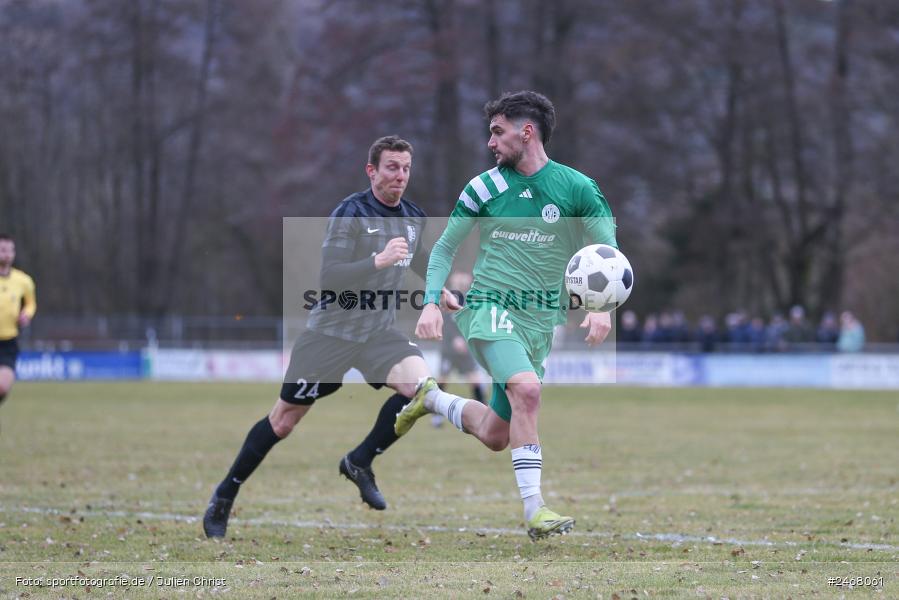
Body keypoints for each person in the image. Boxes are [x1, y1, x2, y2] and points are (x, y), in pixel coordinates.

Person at [203, 136, 459, 538]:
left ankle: (359, 460)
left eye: (406, 168)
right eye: (392, 167)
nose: (401, 176)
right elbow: (331, 277)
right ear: (371, 170)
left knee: (420, 390)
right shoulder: (350, 212)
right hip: (330, 335)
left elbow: (421, 258)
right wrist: (378, 260)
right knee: (283, 421)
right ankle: (225, 493)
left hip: (378, 333)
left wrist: (438, 289)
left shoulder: (413, 216)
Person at [396, 91, 617, 540]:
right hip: (488, 309)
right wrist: (433, 300)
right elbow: (443, 248)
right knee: (528, 390)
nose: (490, 142)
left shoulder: (577, 188)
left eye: (498, 132)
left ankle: (431, 399)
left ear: (527, 132)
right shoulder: (483, 187)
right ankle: (536, 510)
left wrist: (601, 308)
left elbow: (605, 253)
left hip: (540, 323)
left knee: (498, 434)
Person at [432, 271, 485, 427]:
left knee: (475, 379)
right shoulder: (446, 299)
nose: (461, 284)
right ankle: (436, 416)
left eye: (464, 282)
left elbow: (474, 323)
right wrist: (454, 339)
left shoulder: (471, 302)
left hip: (465, 351)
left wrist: (466, 339)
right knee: (442, 380)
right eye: (458, 282)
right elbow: (445, 323)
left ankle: (484, 413)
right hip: (449, 350)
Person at [0, 234, 36, 408]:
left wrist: (26, 314)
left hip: (8, 342)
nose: (6, 254)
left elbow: (31, 303)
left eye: (9, 250)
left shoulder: (23, 281)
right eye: (2, 250)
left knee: (3, 387)